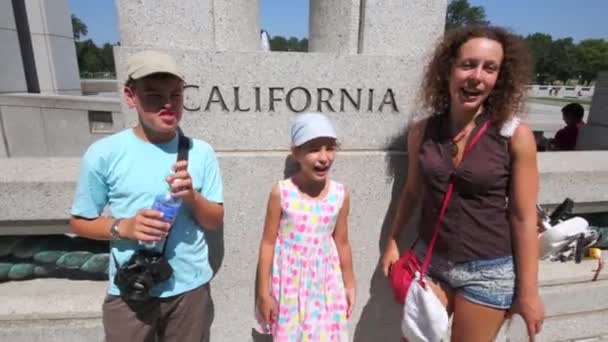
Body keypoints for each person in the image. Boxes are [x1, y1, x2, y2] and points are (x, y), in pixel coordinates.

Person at [380, 25, 545, 341]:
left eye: (489, 68)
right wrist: (393, 241)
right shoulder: (422, 132)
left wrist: (528, 293)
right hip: (431, 263)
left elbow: (523, 218)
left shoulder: (515, 136)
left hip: (488, 271)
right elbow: (413, 191)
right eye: (468, 64)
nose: (477, 76)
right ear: (448, 69)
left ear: (499, 79)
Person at [70, 50, 224, 342]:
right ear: (131, 96)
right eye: (154, 96)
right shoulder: (104, 153)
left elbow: (215, 221)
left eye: (175, 95)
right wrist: (123, 227)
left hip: (189, 291)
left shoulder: (201, 152)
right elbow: (79, 222)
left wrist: (191, 197)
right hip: (130, 289)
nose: (167, 104)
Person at [255, 112, 355, 341]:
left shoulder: (340, 194)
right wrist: (263, 291)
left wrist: (349, 285)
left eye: (329, 148)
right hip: (290, 285)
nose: (324, 157)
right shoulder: (282, 192)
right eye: (313, 149)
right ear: (296, 153)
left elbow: (342, 241)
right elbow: (268, 242)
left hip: (326, 284)